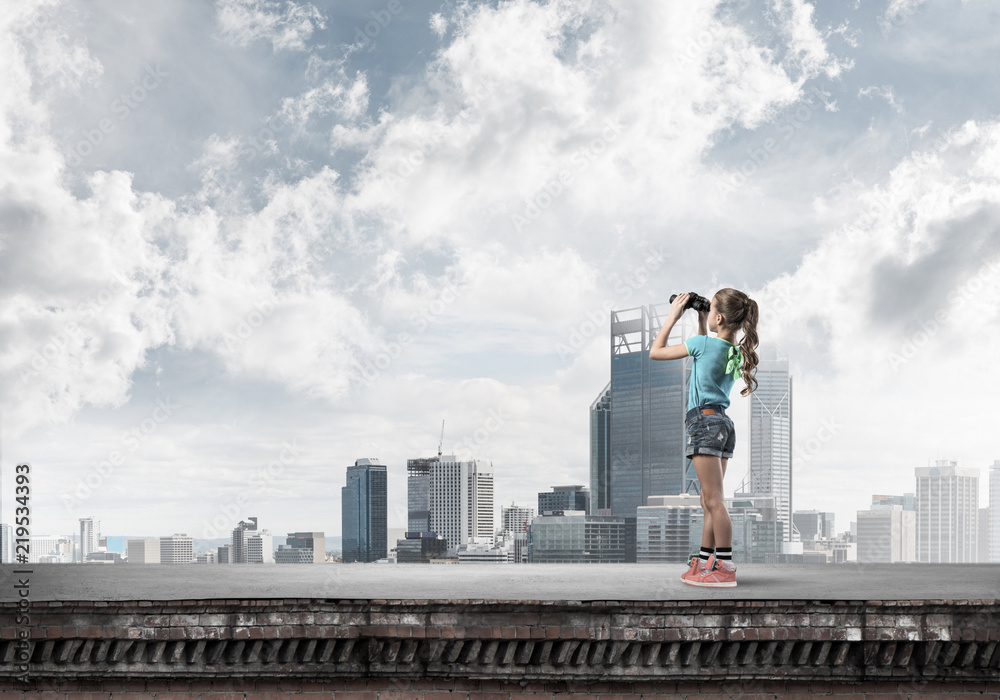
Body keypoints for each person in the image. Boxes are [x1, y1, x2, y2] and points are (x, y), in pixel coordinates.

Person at [649, 289, 759, 587]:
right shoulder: (735, 352)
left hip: (704, 422)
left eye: (711, 311)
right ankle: (705, 561)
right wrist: (701, 317)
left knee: (714, 500)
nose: (708, 313)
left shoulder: (701, 344)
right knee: (709, 500)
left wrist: (673, 316)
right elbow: (705, 358)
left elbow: (655, 352)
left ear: (719, 317)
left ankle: (723, 567)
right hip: (721, 423)